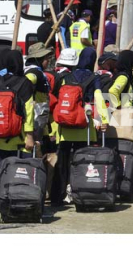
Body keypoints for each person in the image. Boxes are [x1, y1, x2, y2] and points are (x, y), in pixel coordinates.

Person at [49, 49, 109, 206]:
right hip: (83, 128)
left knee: (62, 163)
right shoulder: (93, 77)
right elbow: (98, 98)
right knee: (81, 163)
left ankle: (57, 196)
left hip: (64, 128)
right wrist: (104, 119)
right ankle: (79, 193)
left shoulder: (66, 76)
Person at [0, 49, 35, 167]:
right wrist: (30, 136)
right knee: (18, 176)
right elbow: (29, 111)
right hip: (19, 140)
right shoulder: (25, 83)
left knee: (1, 174)